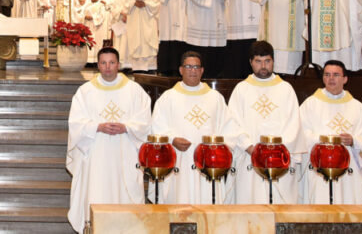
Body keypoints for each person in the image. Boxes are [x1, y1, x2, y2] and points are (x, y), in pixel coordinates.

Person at [66, 47, 151, 233]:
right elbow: (76, 123)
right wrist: (97, 126)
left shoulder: (134, 91)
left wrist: (127, 127)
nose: (108, 67)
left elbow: (145, 122)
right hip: (97, 157)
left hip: (125, 155)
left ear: (118, 65)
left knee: (125, 201)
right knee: (98, 194)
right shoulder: (85, 92)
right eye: (103, 63)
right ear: (97, 65)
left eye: (112, 63)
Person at [225, 40, 302, 204]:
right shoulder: (241, 89)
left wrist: (276, 151)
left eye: (267, 61)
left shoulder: (285, 89)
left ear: (273, 61)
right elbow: (232, 123)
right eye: (258, 62)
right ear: (250, 63)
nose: (263, 66)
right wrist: (250, 147)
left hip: (279, 160)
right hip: (250, 158)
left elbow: (294, 124)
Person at [150, 51, 229, 204]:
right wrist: (172, 140)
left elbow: (227, 128)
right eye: (188, 66)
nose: (192, 70)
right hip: (180, 160)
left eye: (196, 67)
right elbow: (156, 126)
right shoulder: (168, 97)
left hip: (208, 162)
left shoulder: (215, 98)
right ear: (181, 70)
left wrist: (215, 148)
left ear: (202, 70)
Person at [298, 60, 362, 204]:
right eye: (327, 74)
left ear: (345, 79)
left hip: (349, 173)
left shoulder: (357, 107)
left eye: (336, 75)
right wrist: (322, 139)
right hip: (320, 169)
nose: (331, 78)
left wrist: (353, 141)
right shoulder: (310, 105)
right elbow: (300, 134)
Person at [115, 0, 159, 72]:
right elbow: (127, 2)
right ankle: (137, 67)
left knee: (148, 39)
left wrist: (146, 4)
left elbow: (157, 3)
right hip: (135, 18)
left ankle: (150, 66)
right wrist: (133, 3)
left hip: (148, 18)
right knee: (136, 40)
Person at [154, 0, 190, 76]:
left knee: (182, 38)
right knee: (167, 39)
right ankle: (166, 69)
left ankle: (182, 68)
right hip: (167, 16)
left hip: (183, 15)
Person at [83, 0, 109, 64]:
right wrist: (84, 17)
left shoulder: (101, 5)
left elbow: (102, 16)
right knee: (88, 42)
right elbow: (83, 14)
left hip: (96, 27)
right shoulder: (87, 5)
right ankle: (88, 60)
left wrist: (93, 18)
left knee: (96, 43)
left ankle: (95, 61)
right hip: (88, 26)